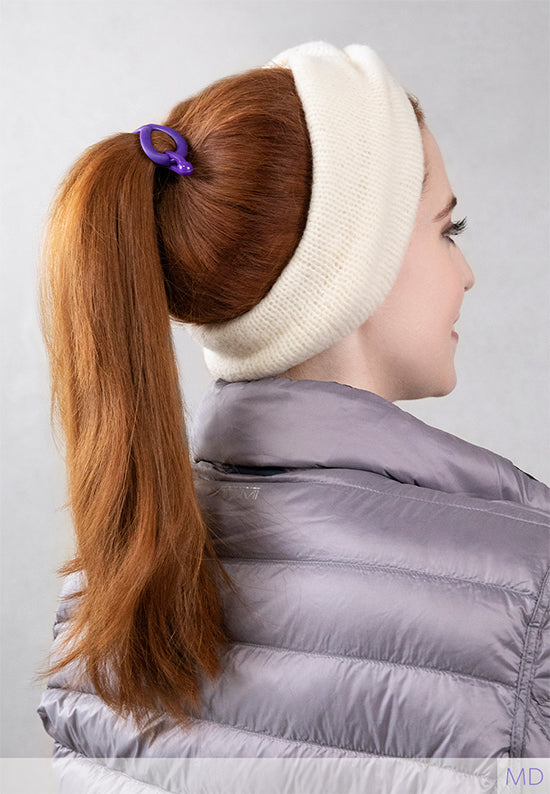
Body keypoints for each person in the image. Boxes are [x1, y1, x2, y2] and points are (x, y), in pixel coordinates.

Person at [36, 40, 549, 794]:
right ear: (358, 270)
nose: (465, 274)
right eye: (448, 230)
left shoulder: (107, 585)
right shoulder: (525, 591)